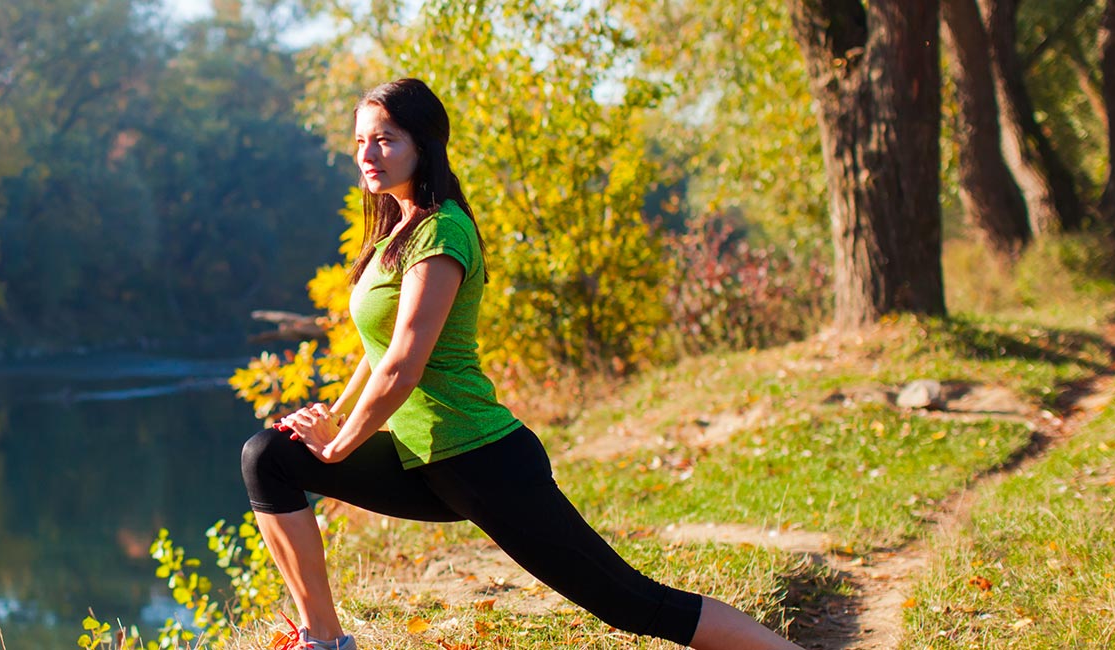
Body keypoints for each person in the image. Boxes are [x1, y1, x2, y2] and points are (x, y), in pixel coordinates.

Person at [240, 78, 801, 650]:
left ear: (424, 144)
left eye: (385, 139)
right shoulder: (394, 231)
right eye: (360, 140)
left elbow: (403, 365)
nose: (367, 154)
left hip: (483, 462)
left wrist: (338, 448)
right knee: (269, 458)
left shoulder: (443, 231)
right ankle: (325, 640)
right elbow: (376, 349)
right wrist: (332, 417)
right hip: (422, 462)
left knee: (631, 602)